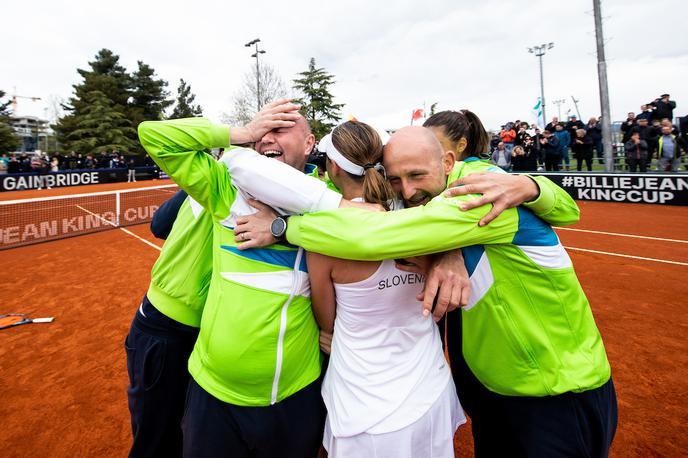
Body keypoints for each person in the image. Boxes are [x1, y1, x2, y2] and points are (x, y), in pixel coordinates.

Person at [244, 117, 616, 458]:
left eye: (417, 175)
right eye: (395, 179)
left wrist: (282, 229)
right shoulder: (436, 203)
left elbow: (373, 237)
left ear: (449, 163)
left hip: (556, 394)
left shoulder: (481, 193)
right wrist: (446, 252)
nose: (407, 190)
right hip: (497, 390)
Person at [129, 101, 361, 458]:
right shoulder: (228, 178)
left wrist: (282, 229)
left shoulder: (324, 194)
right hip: (178, 333)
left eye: (281, 130)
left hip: (277, 373)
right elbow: (156, 145)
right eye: (264, 130)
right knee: (158, 439)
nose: (268, 137)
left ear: (310, 142)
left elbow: (367, 222)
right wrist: (242, 134)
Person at [310, 121, 465, 457]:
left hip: (364, 403)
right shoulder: (420, 215)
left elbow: (327, 323)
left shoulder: (322, 235)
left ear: (333, 166)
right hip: (431, 387)